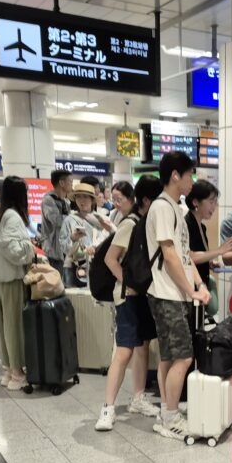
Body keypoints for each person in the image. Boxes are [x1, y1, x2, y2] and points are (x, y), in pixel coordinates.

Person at [146, 151, 209, 440]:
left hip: (176, 294)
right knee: (183, 357)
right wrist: (190, 289)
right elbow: (170, 255)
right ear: (175, 175)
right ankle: (170, 416)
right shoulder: (161, 207)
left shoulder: (175, 209)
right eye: (189, 174)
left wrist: (199, 285)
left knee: (172, 357)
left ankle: (167, 411)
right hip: (166, 294)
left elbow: (184, 256)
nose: (192, 181)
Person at [94, 177, 162, 431]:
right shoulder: (131, 224)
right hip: (127, 297)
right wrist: (128, 283)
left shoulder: (146, 224)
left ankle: (138, 398)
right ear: (147, 201)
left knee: (142, 347)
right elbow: (111, 259)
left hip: (142, 296)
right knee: (124, 351)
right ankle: (107, 408)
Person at [0, 176, 35, 391]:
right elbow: (11, 248)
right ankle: (17, 372)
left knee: (5, 324)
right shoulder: (13, 217)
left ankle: (8, 369)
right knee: (14, 325)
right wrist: (29, 251)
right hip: (11, 278)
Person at [184, 180, 232, 317]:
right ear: (196, 202)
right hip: (192, 289)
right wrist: (219, 251)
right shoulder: (186, 225)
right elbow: (189, 257)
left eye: (215, 202)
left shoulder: (201, 226)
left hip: (200, 287)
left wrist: (209, 263)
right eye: (211, 201)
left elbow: (199, 255)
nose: (214, 207)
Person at [61, 182, 99, 288]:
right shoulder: (69, 220)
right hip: (73, 267)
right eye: (78, 197)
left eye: (85, 197)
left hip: (95, 266)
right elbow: (63, 247)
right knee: (75, 300)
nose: (81, 200)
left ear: (92, 199)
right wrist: (72, 239)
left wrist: (95, 248)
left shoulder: (100, 220)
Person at [41, 169, 72, 277]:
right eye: (70, 181)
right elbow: (57, 221)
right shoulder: (48, 200)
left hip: (65, 247)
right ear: (61, 183)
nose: (71, 184)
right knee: (55, 281)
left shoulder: (66, 202)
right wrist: (73, 218)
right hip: (53, 249)